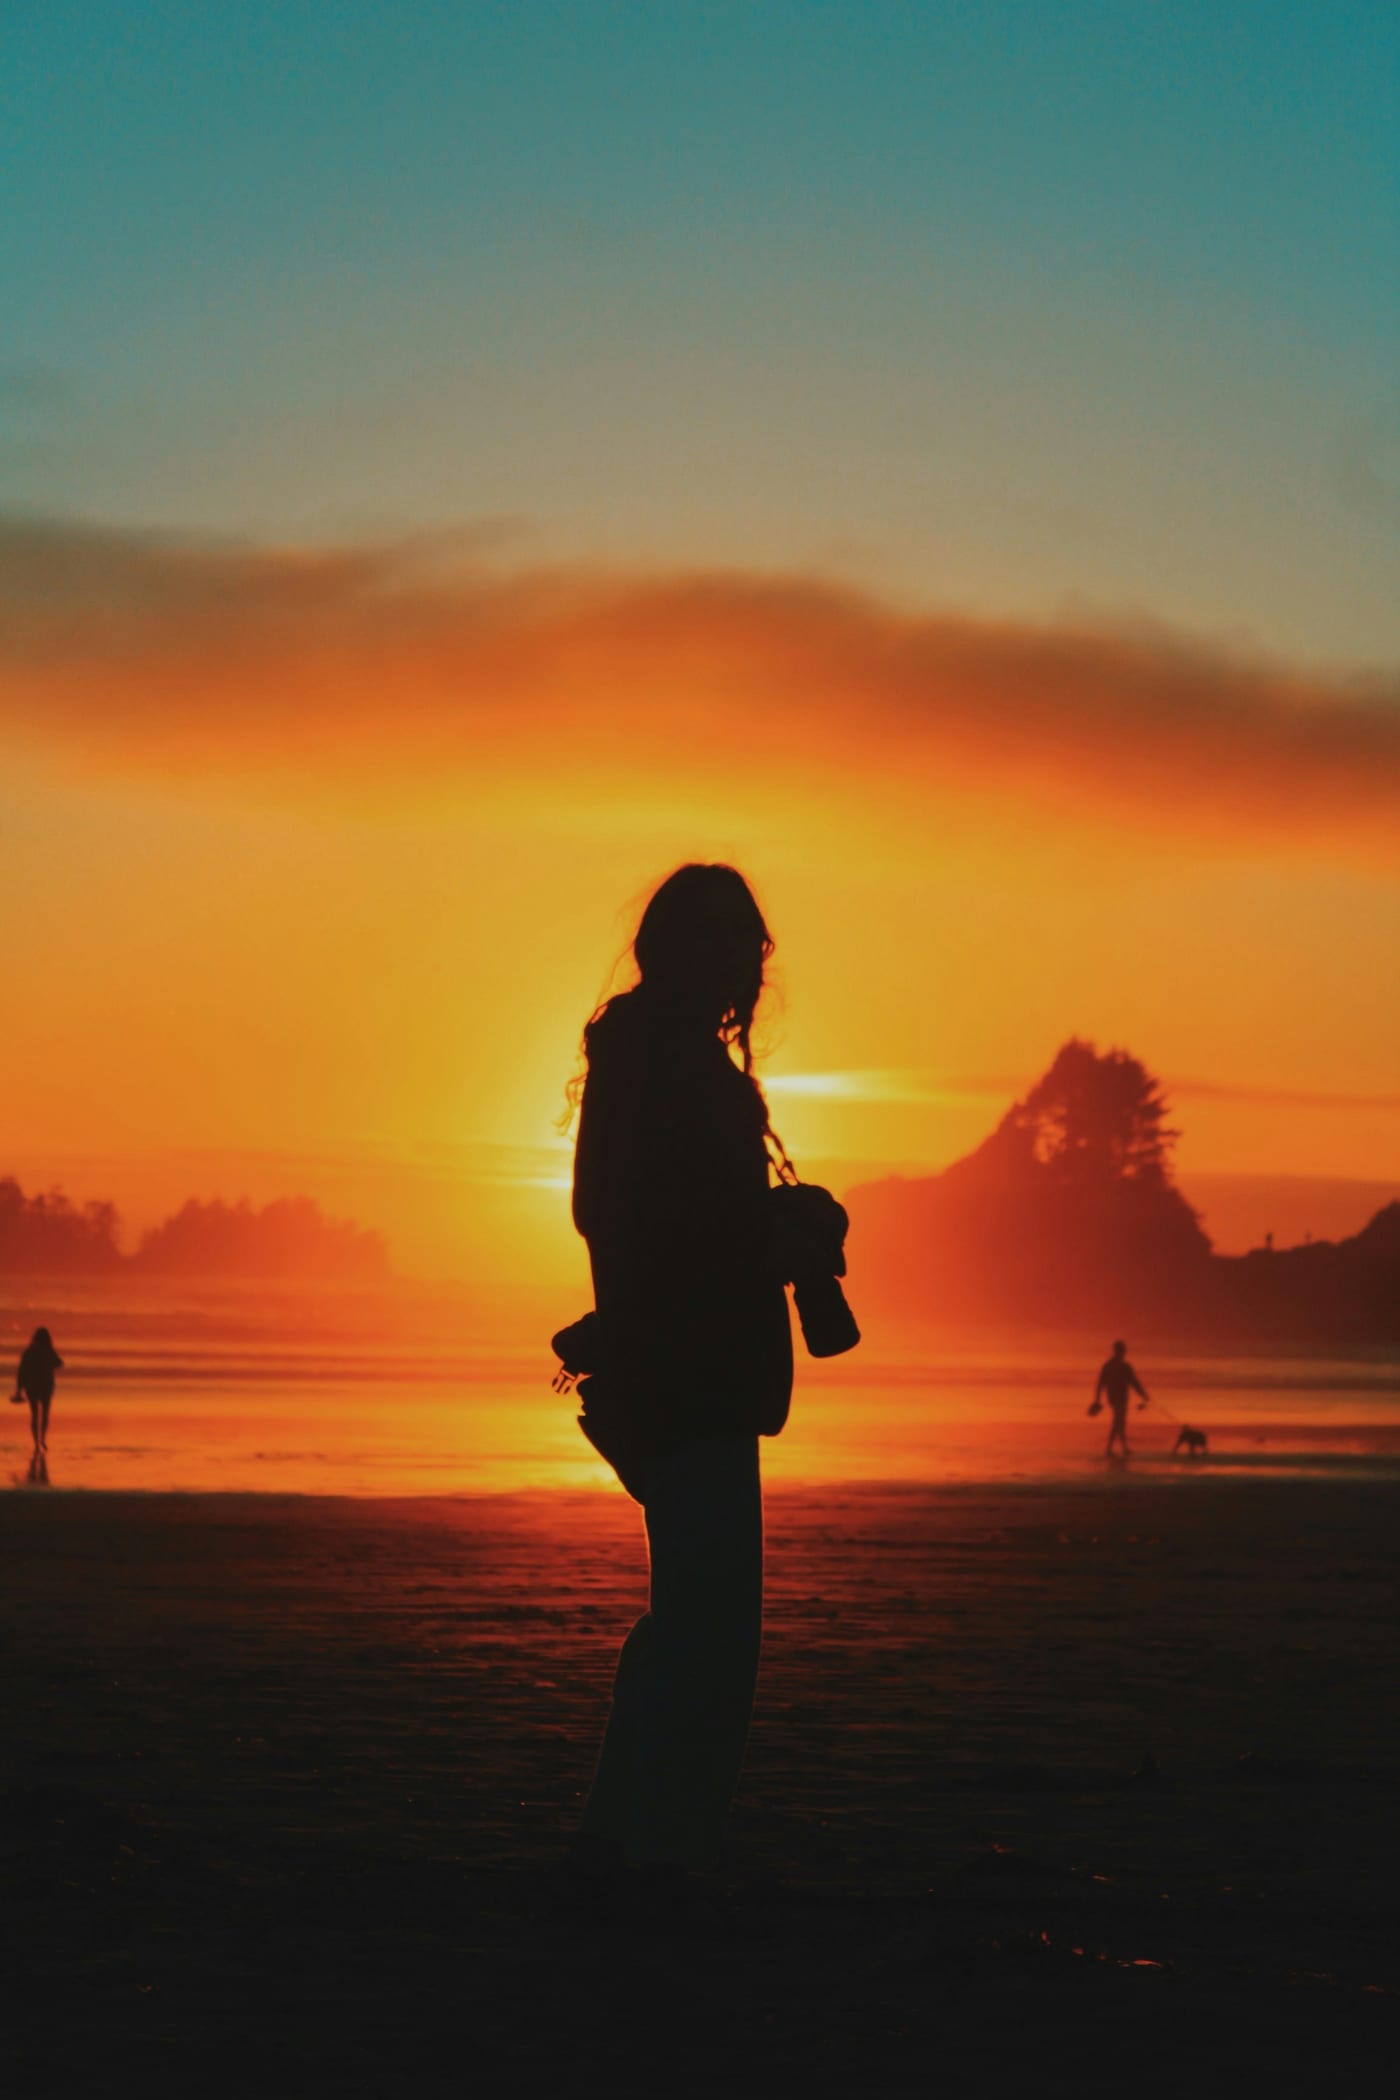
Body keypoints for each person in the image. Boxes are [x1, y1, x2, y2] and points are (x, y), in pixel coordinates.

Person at [567, 863, 794, 1898]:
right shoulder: (668, 1063)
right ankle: (661, 1850)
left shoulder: (641, 1053)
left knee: (686, 1618)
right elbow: (643, 1221)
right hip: (688, 1367)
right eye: (739, 946)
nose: (751, 965)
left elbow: (610, 1216)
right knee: (711, 1626)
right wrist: (770, 1230)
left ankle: (624, 1835)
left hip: (671, 1366)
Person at [1090, 1338, 1148, 1457]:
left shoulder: (1111, 1365)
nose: (1123, 1353)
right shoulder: (1121, 1366)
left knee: (1120, 1422)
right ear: (1119, 1351)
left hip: (1116, 1398)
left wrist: (1097, 1399)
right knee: (1118, 1422)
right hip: (1118, 1398)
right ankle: (1110, 1449)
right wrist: (1143, 1395)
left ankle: (1123, 1448)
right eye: (1122, 1351)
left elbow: (1101, 1384)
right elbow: (1133, 1382)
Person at [14, 1327, 63, 1459]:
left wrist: (19, 1389)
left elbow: (21, 1372)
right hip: (46, 1387)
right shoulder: (48, 1351)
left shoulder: (29, 1351)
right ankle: (43, 1440)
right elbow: (59, 1363)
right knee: (45, 1415)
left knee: (35, 1415)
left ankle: (36, 1443)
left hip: (32, 1387)